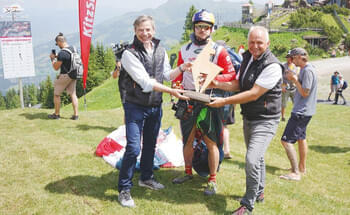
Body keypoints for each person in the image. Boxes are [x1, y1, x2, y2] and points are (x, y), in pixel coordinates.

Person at [116, 15, 190, 208]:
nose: (145, 33)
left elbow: (165, 75)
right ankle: (124, 188)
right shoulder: (128, 54)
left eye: (148, 29)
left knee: (150, 144)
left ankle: (146, 177)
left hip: (155, 105)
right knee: (133, 147)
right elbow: (145, 82)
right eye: (141, 30)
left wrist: (182, 67)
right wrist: (172, 91)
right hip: (134, 105)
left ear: (154, 30)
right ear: (135, 31)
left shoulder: (161, 50)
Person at [208, 26, 283, 214]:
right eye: (252, 42)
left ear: (268, 44)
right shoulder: (248, 57)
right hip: (249, 116)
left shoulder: (272, 66)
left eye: (259, 43)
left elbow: (253, 93)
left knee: (251, 159)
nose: (255, 46)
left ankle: (247, 204)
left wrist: (223, 101)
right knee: (257, 157)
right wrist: (216, 83)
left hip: (265, 119)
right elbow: (238, 84)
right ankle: (260, 191)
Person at [171, 9, 236, 196]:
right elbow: (179, 73)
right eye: (199, 26)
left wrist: (216, 79)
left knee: (211, 141)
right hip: (189, 98)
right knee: (187, 140)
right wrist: (177, 88)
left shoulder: (219, 51)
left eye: (206, 27)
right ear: (194, 27)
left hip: (209, 99)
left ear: (212, 30)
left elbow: (231, 74)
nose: (202, 30)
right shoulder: (184, 49)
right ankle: (188, 173)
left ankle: (212, 180)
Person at [279, 47, 317, 181]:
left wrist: (294, 79)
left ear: (301, 57)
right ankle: (302, 167)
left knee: (285, 141)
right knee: (301, 138)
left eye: (293, 57)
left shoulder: (307, 71)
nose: (291, 60)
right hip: (305, 111)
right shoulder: (307, 69)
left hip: (301, 112)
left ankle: (295, 172)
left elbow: (305, 92)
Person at [49, 32, 79, 120]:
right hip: (74, 74)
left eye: (57, 43)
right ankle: (76, 115)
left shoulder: (62, 53)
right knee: (73, 94)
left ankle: (57, 114)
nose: (57, 45)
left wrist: (52, 59)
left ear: (59, 42)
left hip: (65, 76)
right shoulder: (73, 48)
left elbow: (56, 67)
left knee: (56, 94)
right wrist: (57, 56)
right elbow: (68, 57)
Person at [281, 50, 298, 121]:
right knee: (283, 104)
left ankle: (296, 116)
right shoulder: (283, 66)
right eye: (287, 57)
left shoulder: (295, 66)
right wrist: (282, 86)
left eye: (290, 57)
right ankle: (282, 117)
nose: (288, 58)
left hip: (293, 88)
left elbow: (296, 75)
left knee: (296, 103)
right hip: (286, 88)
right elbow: (281, 77)